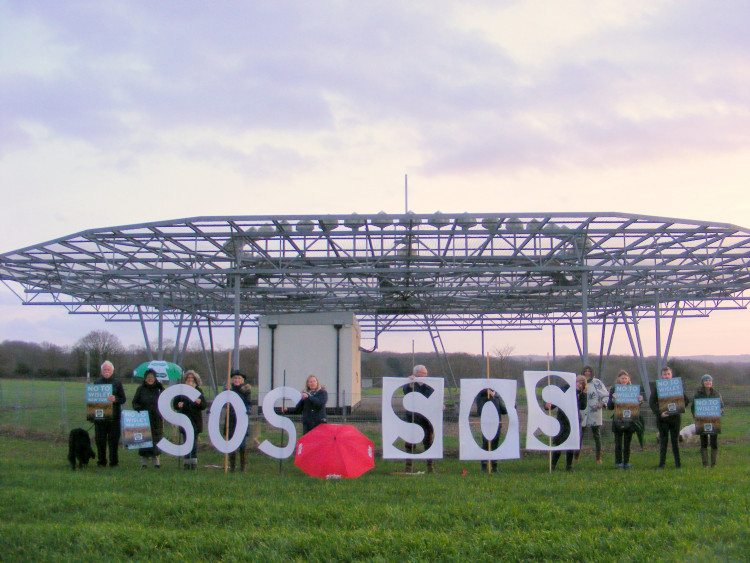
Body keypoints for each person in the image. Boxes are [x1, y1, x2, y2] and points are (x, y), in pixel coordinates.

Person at [649, 366, 690, 469]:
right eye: (664, 374)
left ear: (671, 375)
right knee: (663, 442)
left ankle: (678, 464)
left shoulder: (677, 386)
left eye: (668, 374)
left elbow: (687, 400)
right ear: (661, 376)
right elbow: (651, 403)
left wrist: (679, 408)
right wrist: (659, 413)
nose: (666, 376)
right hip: (662, 419)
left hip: (675, 419)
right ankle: (661, 464)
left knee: (675, 442)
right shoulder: (658, 387)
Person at [401, 364, 436, 474]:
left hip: (426, 420)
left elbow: (435, 397)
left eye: (426, 373)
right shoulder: (410, 384)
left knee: (428, 443)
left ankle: (430, 467)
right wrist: (410, 383)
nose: (425, 375)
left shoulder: (429, 386)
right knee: (410, 444)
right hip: (412, 419)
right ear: (416, 374)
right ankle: (409, 467)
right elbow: (405, 391)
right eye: (423, 373)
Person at [548, 375, 588, 471]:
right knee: (559, 443)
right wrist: (548, 405)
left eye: (581, 384)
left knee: (571, 443)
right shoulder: (565, 389)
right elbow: (556, 401)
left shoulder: (581, 394)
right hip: (562, 420)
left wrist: (583, 394)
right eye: (578, 382)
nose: (579, 385)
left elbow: (582, 407)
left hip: (574, 421)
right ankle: (552, 465)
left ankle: (569, 466)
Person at [93, 360, 127, 467]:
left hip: (114, 418)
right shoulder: (97, 382)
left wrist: (115, 399)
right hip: (100, 418)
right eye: (104, 369)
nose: (106, 371)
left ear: (112, 371)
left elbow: (123, 399)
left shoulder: (117, 383)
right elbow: (92, 399)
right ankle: (101, 461)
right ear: (101, 371)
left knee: (113, 442)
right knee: (100, 442)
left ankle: (114, 462)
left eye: (108, 369)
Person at [606, 370, 643, 470]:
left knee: (627, 443)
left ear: (628, 379)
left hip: (630, 420)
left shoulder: (633, 390)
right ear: (618, 379)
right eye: (622, 378)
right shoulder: (614, 390)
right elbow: (609, 407)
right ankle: (619, 463)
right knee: (618, 443)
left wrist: (640, 401)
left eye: (626, 378)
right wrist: (613, 399)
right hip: (618, 420)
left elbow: (636, 406)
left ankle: (626, 462)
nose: (624, 380)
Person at [131, 368, 165, 468]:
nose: (150, 379)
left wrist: (161, 388)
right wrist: (138, 409)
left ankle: (156, 462)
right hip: (144, 418)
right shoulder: (140, 389)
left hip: (156, 418)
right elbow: (135, 402)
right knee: (144, 440)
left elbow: (165, 400)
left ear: (155, 378)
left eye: (152, 377)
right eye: (148, 377)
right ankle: (144, 462)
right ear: (145, 379)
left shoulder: (159, 389)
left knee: (156, 440)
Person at [175, 370, 206, 470]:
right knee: (186, 441)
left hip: (195, 420)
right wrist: (178, 405)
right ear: (185, 380)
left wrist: (199, 403)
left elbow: (203, 405)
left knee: (193, 442)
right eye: (188, 378)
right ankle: (186, 462)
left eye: (192, 379)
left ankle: (193, 462)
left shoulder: (199, 391)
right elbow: (175, 403)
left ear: (195, 380)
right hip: (184, 419)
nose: (189, 380)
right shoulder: (180, 391)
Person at [691, 374, 724, 468]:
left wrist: (721, 410)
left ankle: (713, 464)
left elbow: (721, 406)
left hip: (714, 421)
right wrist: (695, 415)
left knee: (714, 442)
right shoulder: (698, 394)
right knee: (703, 442)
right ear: (702, 382)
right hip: (702, 421)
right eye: (706, 380)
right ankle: (705, 464)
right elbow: (693, 407)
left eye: (709, 380)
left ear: (711, 382)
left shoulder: (717, 393)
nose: (708, 382)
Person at [578, 365, 608, 464]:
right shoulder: (579, 382)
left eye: (589, 371)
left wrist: (602, 404)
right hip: (582, 412)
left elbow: (605, 395)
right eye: (585, 371)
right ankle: (576, 456)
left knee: (597, 435)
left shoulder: (597, 383)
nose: (587, 373)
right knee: (579, 435)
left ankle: (598, 458)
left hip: (595, 412)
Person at [474, 388, 507, 473]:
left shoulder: (496, 397)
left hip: (497, 425)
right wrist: (487, 398)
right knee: (486, 445)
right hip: (486, 425)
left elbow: (503, 410)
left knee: (495, 446)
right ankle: (484, 466)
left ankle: (494, 467)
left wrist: (512, 407)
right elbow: (480, 411)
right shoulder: (481, 397)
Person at [226, 370, 253, 472]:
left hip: (241, 420)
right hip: (231, 419)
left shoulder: (246, 391)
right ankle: (232, 466)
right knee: (231, 443)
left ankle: (243, 467)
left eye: (238, 378)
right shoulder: (229, 391)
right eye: (235, 378)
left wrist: (248, 409)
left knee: (242, 444)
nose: (236, 380)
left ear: (242, 380)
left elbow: (249, 403)